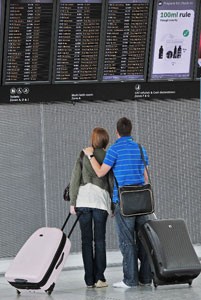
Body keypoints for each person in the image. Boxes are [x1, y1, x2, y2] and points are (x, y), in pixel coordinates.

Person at [83, 117, 152, 288]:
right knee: (144, 240)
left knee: (127, 242)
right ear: (130, 130)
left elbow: (100, 173)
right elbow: (146, 177)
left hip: (124, 202)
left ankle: (130, 280)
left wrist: (90, 155)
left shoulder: (114, 150)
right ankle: (146, 278)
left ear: (117, 132)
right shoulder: (140, 149)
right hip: (143, 202)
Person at [69, 127, 113, 288]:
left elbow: (75, 179)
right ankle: (99, 278)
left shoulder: (83, 154)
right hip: (100, 202)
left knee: (86, 241)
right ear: (106, 140)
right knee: (100, 240)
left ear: (93, 139)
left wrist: (73, 202)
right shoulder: (108, 155)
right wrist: (113, 205)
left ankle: (89, 279)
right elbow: (111, 182)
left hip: (83, 201)